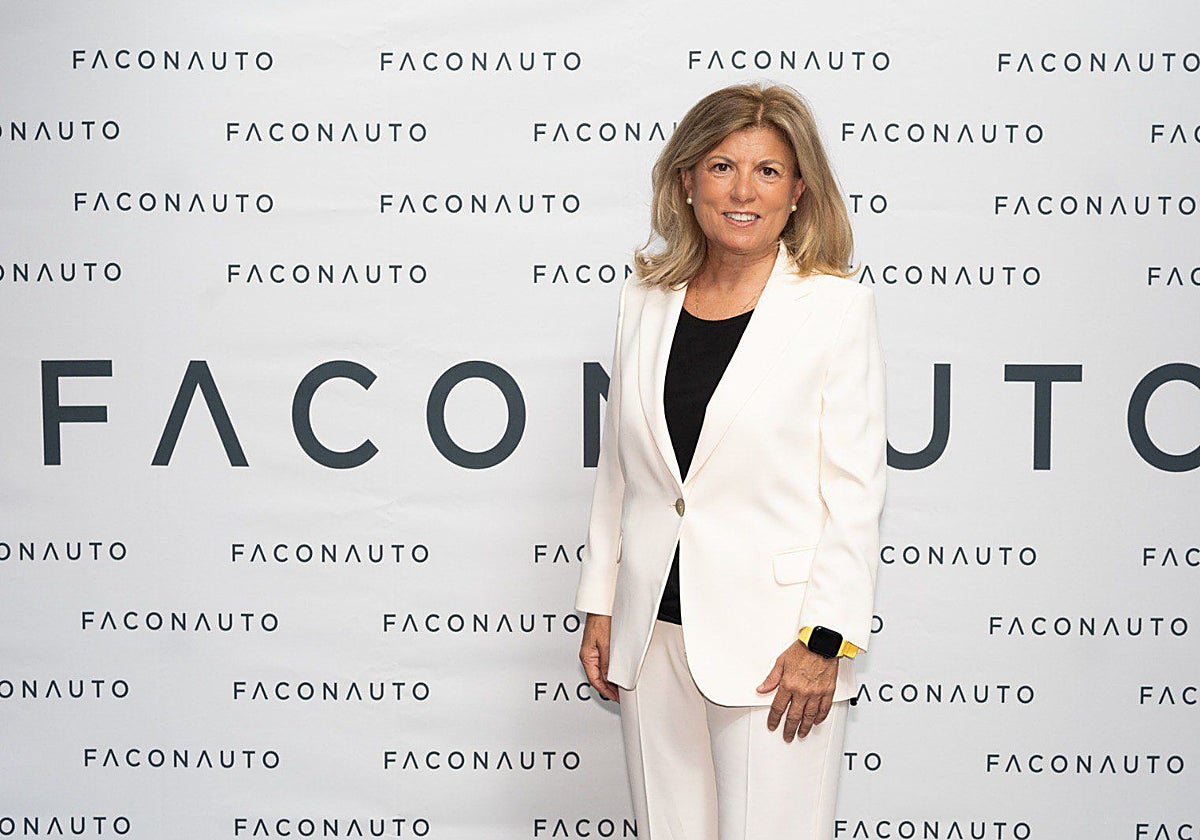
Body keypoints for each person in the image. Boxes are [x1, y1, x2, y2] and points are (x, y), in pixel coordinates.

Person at [574, 81, 888, 839]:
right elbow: (622, 472)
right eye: (721, 167)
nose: (743, 191)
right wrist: (602, 601)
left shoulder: (834, 308)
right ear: (686, 181)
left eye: (768, 171)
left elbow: (855, 493)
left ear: (799, 190)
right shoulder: (644, 300)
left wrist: (824, 641)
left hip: (779, 650)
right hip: (652, 635)